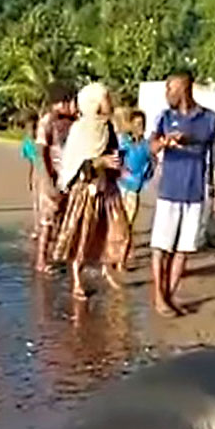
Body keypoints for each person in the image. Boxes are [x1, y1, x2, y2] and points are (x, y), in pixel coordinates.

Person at [149, 71, 215, 317]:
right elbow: (151, 146)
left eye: (171, 88)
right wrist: (164, 143)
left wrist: (187, 139)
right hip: (169, 189)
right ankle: (159, 297)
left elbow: (212, 150)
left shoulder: (208, 117)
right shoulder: (165, 117)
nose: (167, 93)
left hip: (196, 190)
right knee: (161, 247)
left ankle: (169, 294)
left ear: (184, 88)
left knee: (183, 249)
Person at [51, 83, 129, 299]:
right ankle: (77, 279)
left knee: (116, 231)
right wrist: (99, 162)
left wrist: (117, 164)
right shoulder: (80, 129)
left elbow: (114, 152)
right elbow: (75, 165)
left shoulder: (108, 127)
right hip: (86, 190)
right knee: (82, 234)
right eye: (105, 99)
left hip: (108, 188)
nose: (109, 103)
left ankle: (108, 268)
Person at [34, 85, 77, 272]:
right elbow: (41, 152)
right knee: (48, 220)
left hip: (68, 175)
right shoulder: (47, 122)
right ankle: (41, 260)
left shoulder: (74, 121)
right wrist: (48, 179)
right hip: (52, 176)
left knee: (64, 218)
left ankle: (57, 254)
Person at [117, 110, 153, 269]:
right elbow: (116, 158)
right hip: (121, 187)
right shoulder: (125, 142)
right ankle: (118, 257)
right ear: (131, 125)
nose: (140, 127)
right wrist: (122, 169)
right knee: (118, 224)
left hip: (134, 189)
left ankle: (121, 260)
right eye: (137, 124)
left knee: (128, 225)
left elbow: (151, 165)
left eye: (142, 124)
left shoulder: (145, 146)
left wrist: (145, 178)